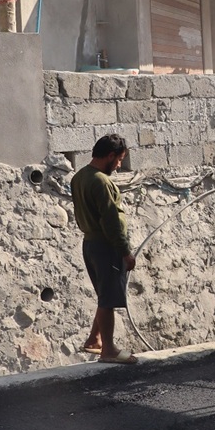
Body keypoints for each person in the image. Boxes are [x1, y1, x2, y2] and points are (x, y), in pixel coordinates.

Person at [71, 134, 139, 365]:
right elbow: (110, 220)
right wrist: (125, 252)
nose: (119, 165)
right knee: (108, 298)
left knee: (104, 294)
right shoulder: (100, 181)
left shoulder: (80, 176)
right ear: (110, 156)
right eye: (119, 160)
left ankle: (94, 339)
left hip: (90, 243)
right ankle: (108, 350)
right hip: (106, 245)